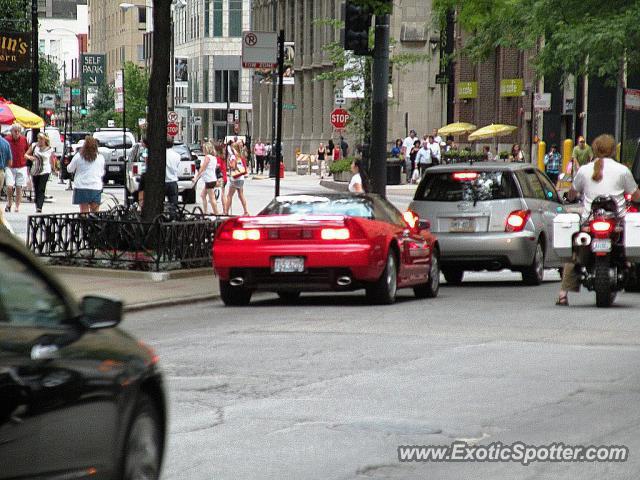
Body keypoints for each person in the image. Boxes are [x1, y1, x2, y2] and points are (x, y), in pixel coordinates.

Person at [556, 134, 640, 306]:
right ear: (613, 150)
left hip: (590, 221)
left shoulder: (584, 170)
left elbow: (572, 192)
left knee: (575, 254)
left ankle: (563, 294)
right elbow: (636, 194)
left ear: (594, 149)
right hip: (617, 223)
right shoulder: (622, 170)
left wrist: (571, 196)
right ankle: (629, 267)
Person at [66, 136, 105, 213]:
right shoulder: (100, 157)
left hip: (81, 186)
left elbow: (70, 169)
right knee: (95, 212)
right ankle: (94, 225)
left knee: (84, 211)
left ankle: (84, 224)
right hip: (95, 187)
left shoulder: (78, 156)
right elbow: (101, 172)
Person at [24, 133, 57, 213]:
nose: (39, 140)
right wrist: (30, 157)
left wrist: (54, 169)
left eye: (41, 139)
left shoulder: (50, 149)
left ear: (45, 140)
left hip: (45, 170)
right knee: (36, 188)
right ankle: (37, 203)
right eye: (38, 138)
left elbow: (52, 160)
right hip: (35, 170)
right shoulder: (34, 146)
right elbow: (25, 154)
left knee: (41, 189)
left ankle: (39, 207)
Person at [5, 123, 29, 213]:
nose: (17, 133)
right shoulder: (7, 140)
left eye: (18, 131)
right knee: (9, 186)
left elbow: (27, 150)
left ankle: (17, 206)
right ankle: (9, 202)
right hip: (10, 166)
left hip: (21, 166)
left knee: (19, 187)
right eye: (15, 131)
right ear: (11, 131)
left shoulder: (24, 139)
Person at [192, 141, 220, 215]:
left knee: (212, 198)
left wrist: (196, 177)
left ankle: (216, 213)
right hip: (211, 179)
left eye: (204, 148)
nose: (203, 150)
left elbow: (202, 168)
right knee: (203, 195)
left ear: (207, 149)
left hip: (209, 180)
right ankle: (205, 212)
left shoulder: (207, 157)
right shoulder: (214, 158)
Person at [225, 144, 249, 215]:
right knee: (241, 195)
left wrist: (229, 163)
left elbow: (233, 166)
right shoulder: (241, 156)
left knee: (229, 195)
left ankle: (226, 211)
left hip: (235, 178)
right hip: (241, 177)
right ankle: (245, 211)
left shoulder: (233, 156)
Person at [165, 137, 182, 207]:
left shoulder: (160, 155)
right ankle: (173, 216)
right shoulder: (177, 155)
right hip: (173, 181)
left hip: (163, 182)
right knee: (173, 204)